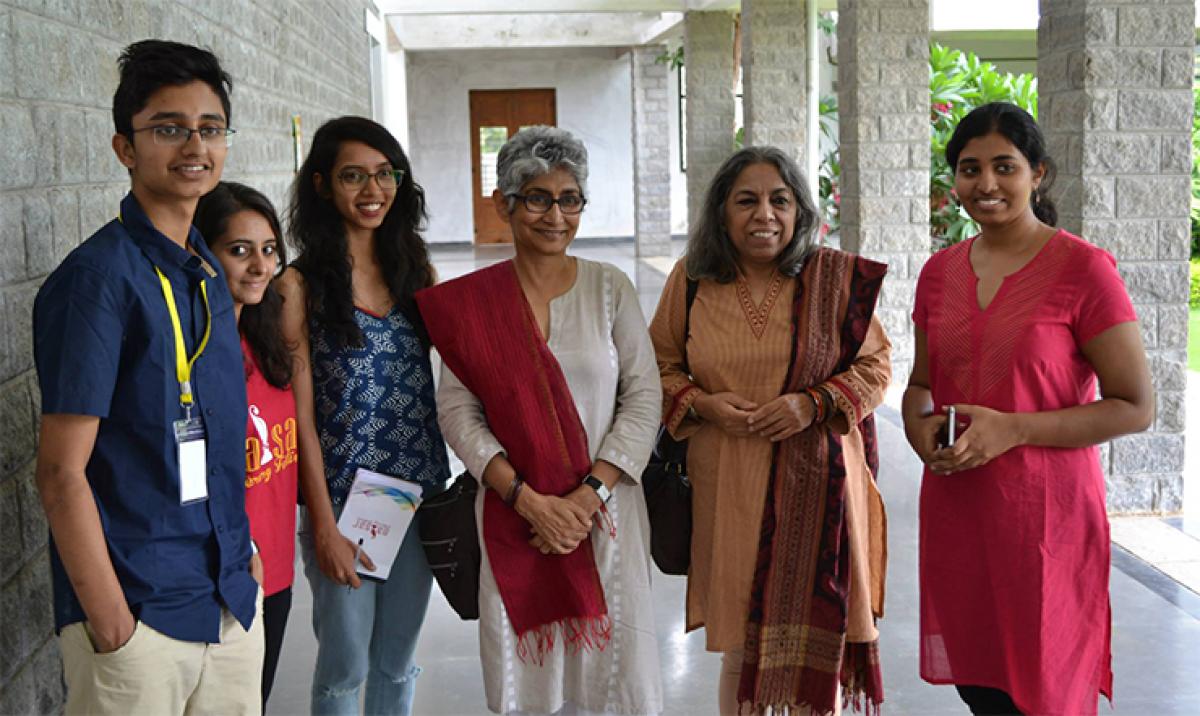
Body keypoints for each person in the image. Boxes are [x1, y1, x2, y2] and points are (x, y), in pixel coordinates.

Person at [32, 40, 263, 715]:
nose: (194, 144)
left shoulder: (208, 273)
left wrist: (244, 556)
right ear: (124, 148)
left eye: (209, 128)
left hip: (226, 598)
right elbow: (60, 474)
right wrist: (112, 623)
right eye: (168, 128)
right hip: (139, 613)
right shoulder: (97, 281)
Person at [904, 102, 1155, 716]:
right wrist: (918, 429)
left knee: (1047, 692)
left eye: (1004, 167)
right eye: (969, 169)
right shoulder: (940, 274)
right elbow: (920, 384)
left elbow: (1136, 406)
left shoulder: (1084, 270)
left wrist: (1015, 429)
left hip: (1048, 521)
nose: (985, 184)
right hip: (962, 512)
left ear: (1037, 173)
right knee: (982, 688)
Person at [420, 125, 664, 715]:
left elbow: (644, 394)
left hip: (604, 518)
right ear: (506, 204)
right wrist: (528, 500)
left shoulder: (611, 288)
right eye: (537, 197)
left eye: (569, 198)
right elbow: (457, 410)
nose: (555, 214)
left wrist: (588, 497)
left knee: (615, 675)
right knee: (526, 678)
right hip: (515, 519)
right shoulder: (473, 304)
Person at [648, 146, 891, 716]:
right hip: (728, 483)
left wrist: (814, 403)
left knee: (818, 632)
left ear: (800, 210)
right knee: (740, 640)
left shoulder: (832, 277)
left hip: (821, 487)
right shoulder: (693, 279)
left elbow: (877, 366)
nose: (765, 215)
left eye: (779, 200)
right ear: (722, 213)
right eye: (747, 201)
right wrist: (704, 404)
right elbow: (656, 368)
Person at [276, 115, 450, 716]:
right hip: (346, 501)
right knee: (344, 667)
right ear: (323, 185)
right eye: (354, 176)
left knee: (397, 661)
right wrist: (322, 525)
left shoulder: (415, 273)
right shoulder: (299, 287)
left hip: (417, 493)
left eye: (385, 174)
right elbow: (299, 418)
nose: (373, 190)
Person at [194, 181, 298, 709]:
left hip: (276, 570)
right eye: (239, 250)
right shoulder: (197, 356)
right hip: (221, 575)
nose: (260, 265)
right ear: (201, 254)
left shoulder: (270, 341)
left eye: (269, 249)